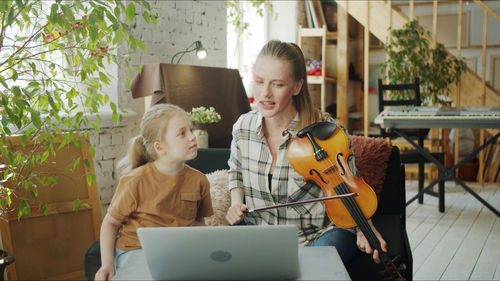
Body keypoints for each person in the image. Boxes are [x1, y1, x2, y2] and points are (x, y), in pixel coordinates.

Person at [225, 40, 387, 265]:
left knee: (313, 265)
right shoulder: (243, 128)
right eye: (259, 81)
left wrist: (364, 227)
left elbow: (349, 189)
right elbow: (236, 172)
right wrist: (235, 204)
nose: (264, 93)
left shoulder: (327, 131)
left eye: (277, 84)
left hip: (317, 237)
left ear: (297, 86)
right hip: (261, 237)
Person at [94, 104, 213, 281]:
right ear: (159, 147)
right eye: (182, 133)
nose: (192, 137)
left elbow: (198, 222)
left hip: (179, 251)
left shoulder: (199, 180)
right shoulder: (135, 181)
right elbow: (110, 223)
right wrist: (107, 264)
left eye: (190, 130)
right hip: (136, 250)